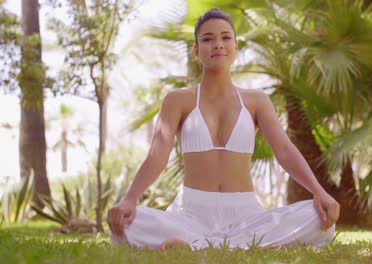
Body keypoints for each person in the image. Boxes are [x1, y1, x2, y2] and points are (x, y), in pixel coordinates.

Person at [107, 7, 339, 251]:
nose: (218, 44)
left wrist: (318, 191)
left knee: (319, 217)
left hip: (246, 216)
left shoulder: (256, 100)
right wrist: (130, 199)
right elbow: (157, 155)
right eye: (208, 39)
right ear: (197, 50)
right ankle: (230, 245)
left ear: (236, 47)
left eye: (226, 37)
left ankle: (197, 246)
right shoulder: (178, 100)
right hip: (189, 214)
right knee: (125, 224)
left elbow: (283, 149)